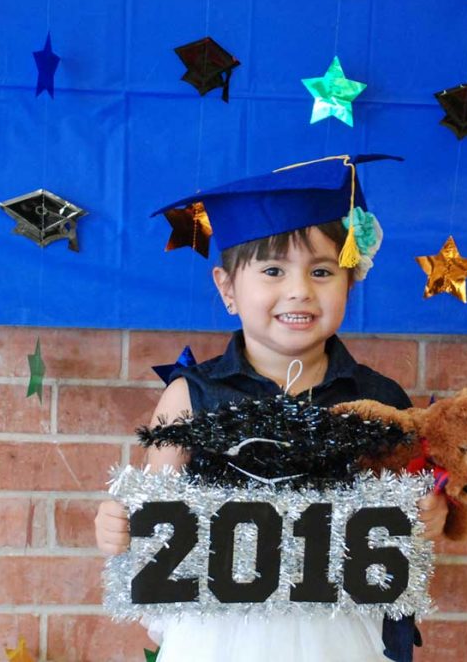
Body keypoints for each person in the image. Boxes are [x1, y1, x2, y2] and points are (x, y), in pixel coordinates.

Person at [94, 154, 448, 662]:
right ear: (227, 288)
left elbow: (409, 512)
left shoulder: (380, 404)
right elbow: (154, 512)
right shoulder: (190, 398)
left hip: (342, 636)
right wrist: (120, 527)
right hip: (220, 637)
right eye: (273, 270)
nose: (299, 290)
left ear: (352, 279)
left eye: (323, 271)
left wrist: (428, 516)